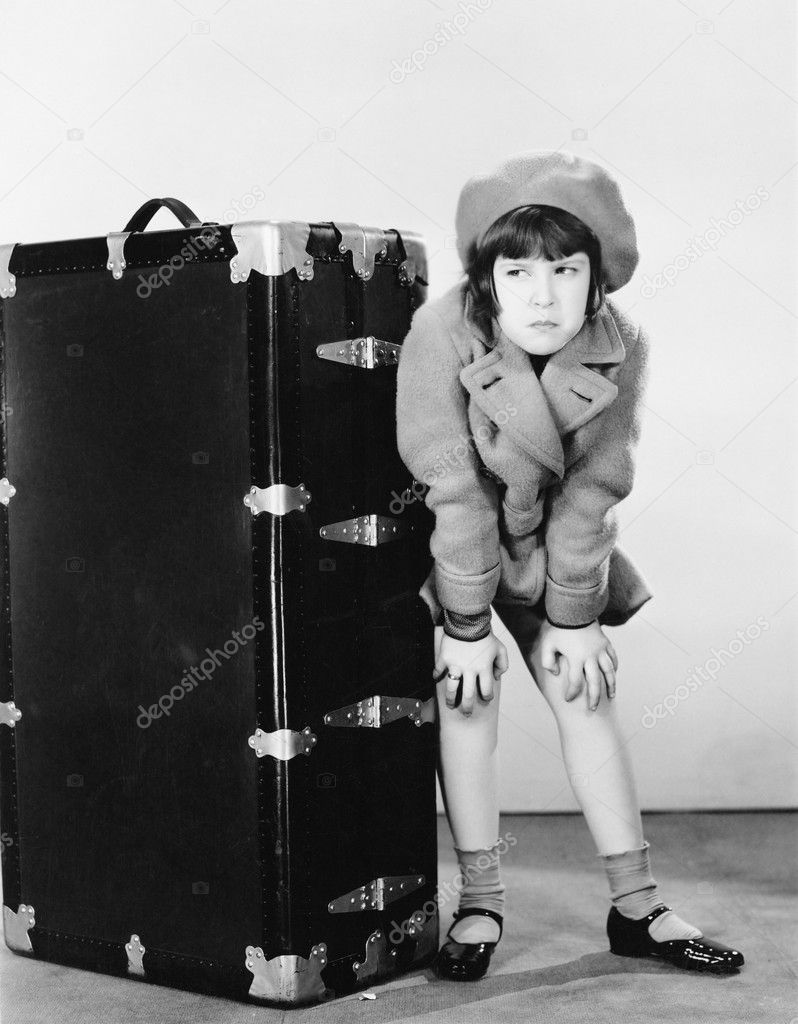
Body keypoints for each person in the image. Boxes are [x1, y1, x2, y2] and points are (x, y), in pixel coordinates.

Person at [395, 151, 744, 982]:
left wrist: (575, 616)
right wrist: (468, 624)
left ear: (597, 278)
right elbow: (452, 486)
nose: (542, 296)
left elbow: (594, 487)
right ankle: (479, 904)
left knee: (587, 695)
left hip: (562, 555)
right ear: (486, 280)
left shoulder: (624, 347)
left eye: (565, 269)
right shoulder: (439, 334)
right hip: (465, 553)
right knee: (465, 702)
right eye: (517, 271)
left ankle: (639, 907)